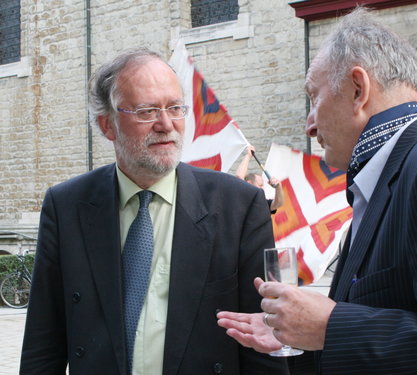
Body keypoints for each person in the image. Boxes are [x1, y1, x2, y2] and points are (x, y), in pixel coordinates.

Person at [217, 7, 417, 374]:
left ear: (358, 89)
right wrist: (300, 334)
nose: (309, 125)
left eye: (314, 97)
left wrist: (330, 326)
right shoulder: (379, 179)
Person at [20, 48, 289, 375]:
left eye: (175, 108)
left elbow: (264, 347)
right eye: (147, 111)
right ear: (108, 125)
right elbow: (42, 344)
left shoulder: (239, 206)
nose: (166, 124)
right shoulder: (66, 207)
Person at [235, 145, 284, 213]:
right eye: (260, 185)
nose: (263, 188)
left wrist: (278, 187)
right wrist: (248, 155)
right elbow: (239, 177)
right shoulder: (241, 199)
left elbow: (279, 203)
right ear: (249, 183)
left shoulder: (262, 203)